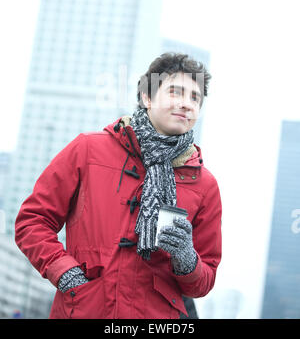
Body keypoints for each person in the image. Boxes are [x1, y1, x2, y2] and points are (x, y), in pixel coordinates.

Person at [15, 52, 222, 319]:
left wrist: (187, 259)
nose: (186, 104)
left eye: (195, 97)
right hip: (84, 310)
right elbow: (32, 220)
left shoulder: (204, 184)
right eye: (175, 92)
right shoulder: (88, 149)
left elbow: (204, 281)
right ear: (147, 97)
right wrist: (63, 270)